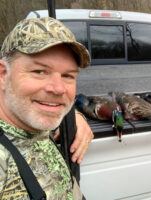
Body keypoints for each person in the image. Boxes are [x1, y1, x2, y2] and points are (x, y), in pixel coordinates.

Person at [0, 17, 92, 199]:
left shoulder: (31, 121)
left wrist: (74, 115)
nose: (58, 89)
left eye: (67, 76)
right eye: (39, 72)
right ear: (3, 75)